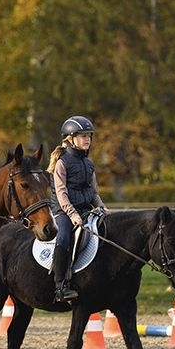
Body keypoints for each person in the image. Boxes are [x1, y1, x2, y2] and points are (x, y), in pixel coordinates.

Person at [46, 115, 107, 302]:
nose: (87, 139)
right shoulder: (61, 163)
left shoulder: (89, 164)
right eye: (82, 136)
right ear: (70, 139)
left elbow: (94, 192)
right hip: (63, 212)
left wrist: (103, 209)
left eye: (89, 136)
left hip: (86, 209)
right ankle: (60, 286)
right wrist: (72, 214)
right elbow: (61, 193)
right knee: (64, 237)